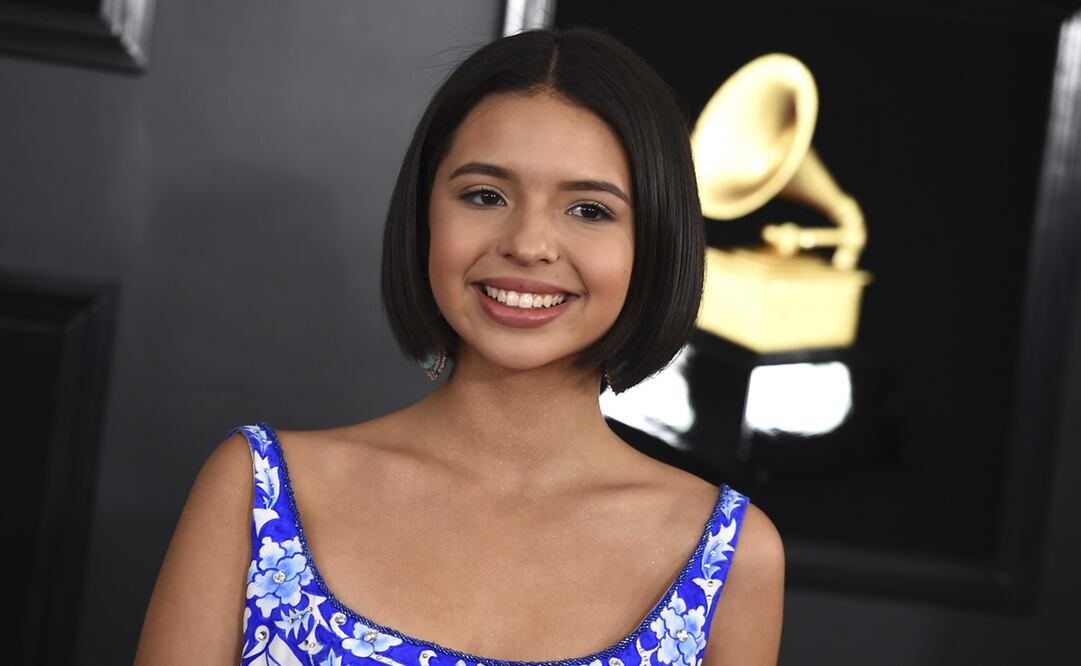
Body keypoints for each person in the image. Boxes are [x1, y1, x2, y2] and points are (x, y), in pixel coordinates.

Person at [135, 27, 784, 666]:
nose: (528, 244)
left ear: (656, 243)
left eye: (589, 210)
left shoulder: (729, 557)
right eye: (484, 196)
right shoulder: (256, 491)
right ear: (425, 218)